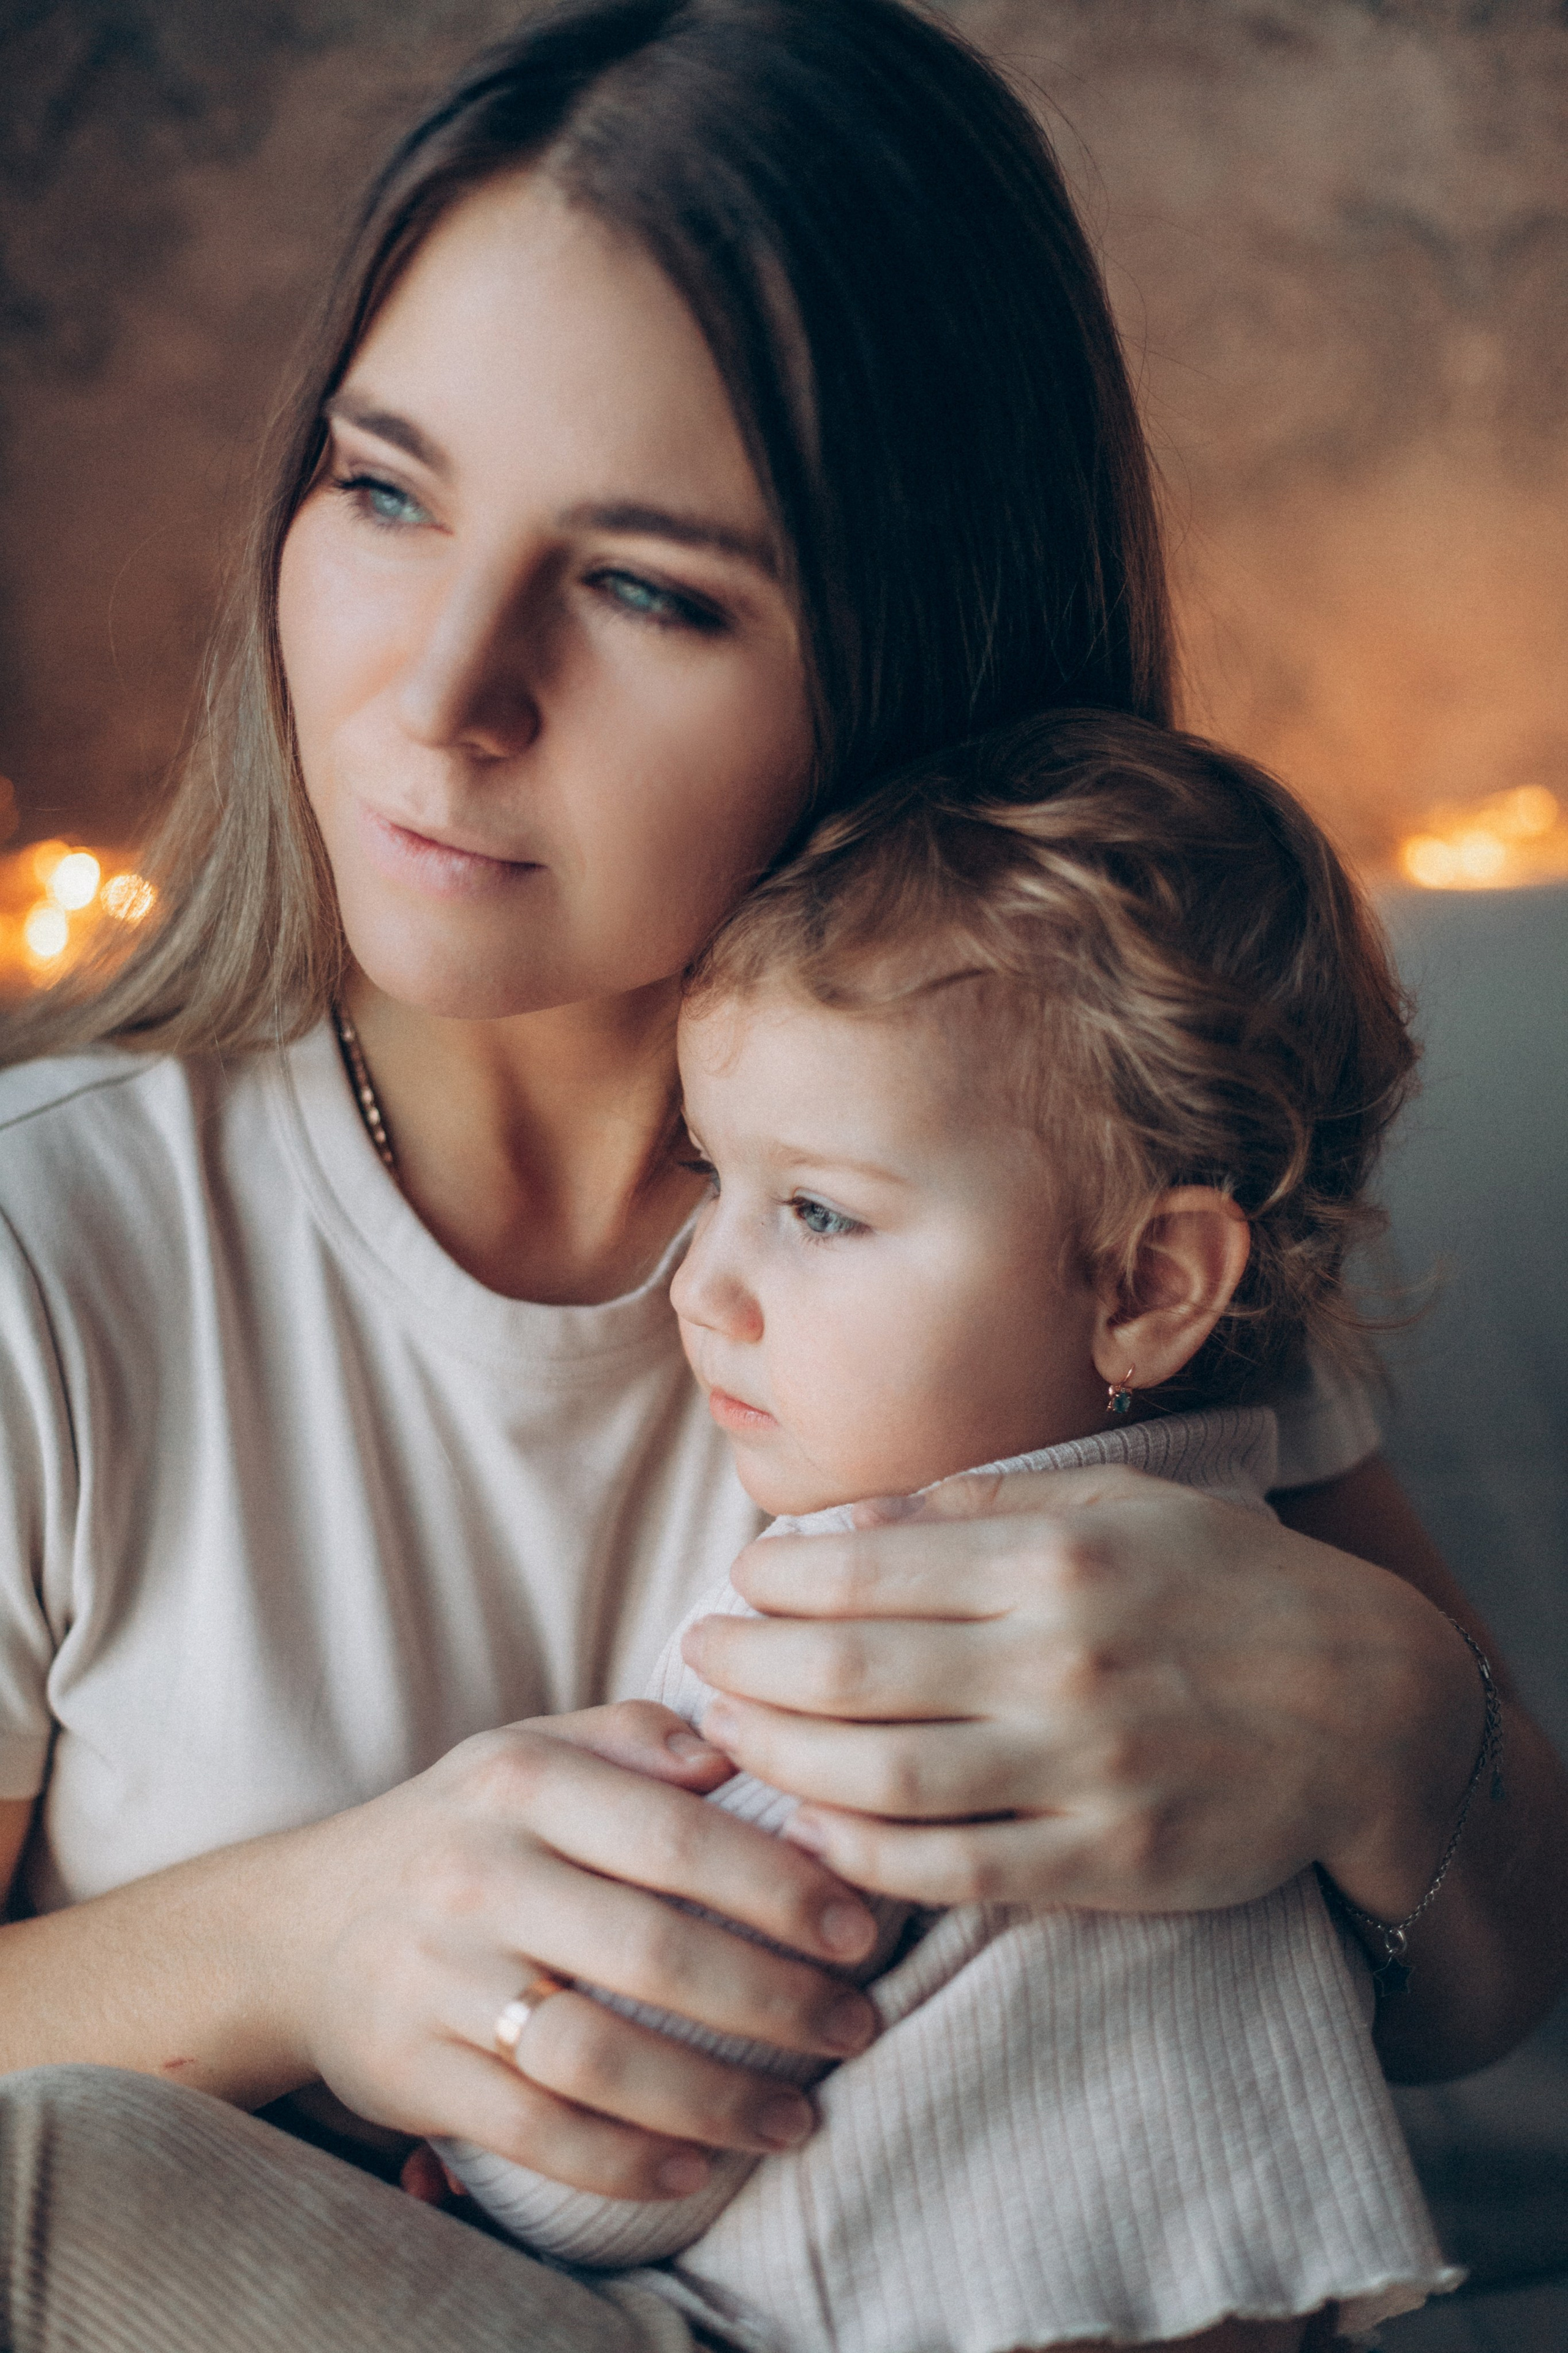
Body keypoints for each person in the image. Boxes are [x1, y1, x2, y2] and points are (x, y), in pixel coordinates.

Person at [1, 6, 1564, 2349]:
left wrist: (1380, 1718)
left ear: (910, 649)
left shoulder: (1065, 1183)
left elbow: (1482, 1996)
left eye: (646, 587)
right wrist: (303, 1941)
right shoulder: (60, 1248)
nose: (442, 688)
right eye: (386, 487)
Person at [437, 712, 1463, 2352]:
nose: (704, 1282)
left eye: (820, 1211)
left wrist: (452, 2157)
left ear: (1145, 1283)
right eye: (718, 1176)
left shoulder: (910, 1613)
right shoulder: (1243, 1552)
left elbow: (617, 2159)